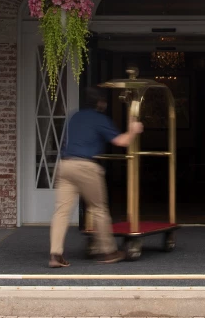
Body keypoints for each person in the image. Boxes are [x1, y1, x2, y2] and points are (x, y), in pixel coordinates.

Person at [48, 85, 143, 268]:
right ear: (100, 103)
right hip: (85, 166)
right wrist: (134, 130)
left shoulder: (75, 117)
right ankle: (109, 251)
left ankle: (55, 254)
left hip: (65, 165)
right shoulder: (100, 119)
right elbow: (121, 141)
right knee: (98, 208)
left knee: (61, 212)